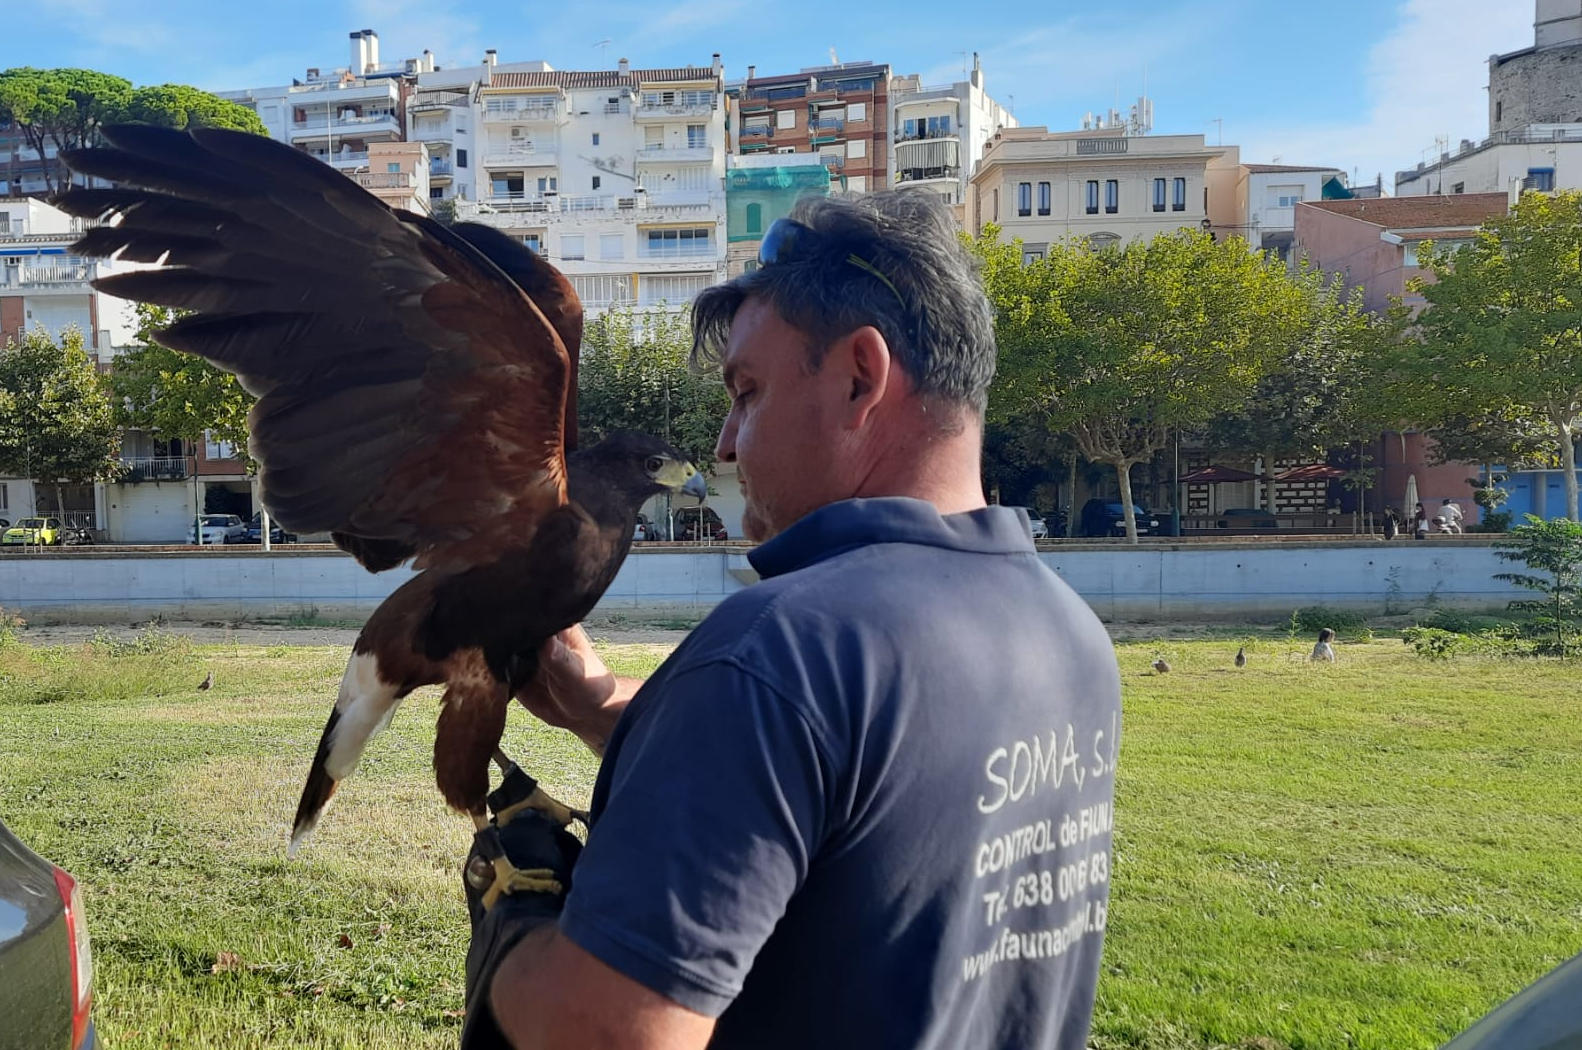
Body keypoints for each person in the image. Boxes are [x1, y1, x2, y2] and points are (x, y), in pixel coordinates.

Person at [462, 191, 1124, 1050]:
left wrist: (511, 912)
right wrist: (601, 714)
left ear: (860, 376)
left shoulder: (773, 658)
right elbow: (869, 798)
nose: (728, 444)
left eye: (747, 392)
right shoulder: (1071, 636)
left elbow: (605, 1033)